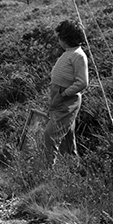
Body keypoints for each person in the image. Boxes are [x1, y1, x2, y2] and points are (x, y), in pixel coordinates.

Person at [43, 20, 89, 164]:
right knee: (67, 138)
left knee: (50, 134)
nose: (58, 40)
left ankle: (47, 169)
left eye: (59, 37)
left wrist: (65, 93)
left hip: (67, 100)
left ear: (65, 38)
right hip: (59, 99)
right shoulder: (69, 53)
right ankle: (73, 167)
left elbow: (82, 82)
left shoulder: (78, 55)